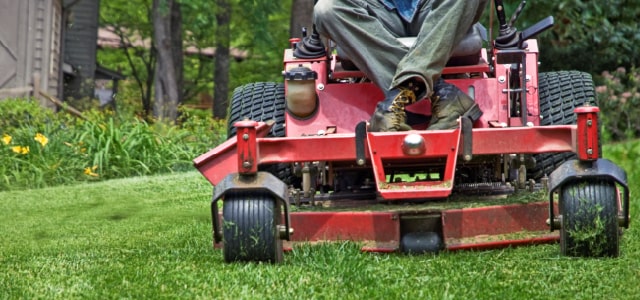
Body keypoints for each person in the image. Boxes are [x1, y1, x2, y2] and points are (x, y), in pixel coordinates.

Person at [313, 0, 488, 131]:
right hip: (377, 11)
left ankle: (398, 97)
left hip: (437, 9)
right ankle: (440, 91)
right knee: (326, 9)